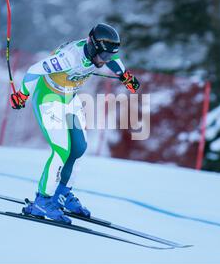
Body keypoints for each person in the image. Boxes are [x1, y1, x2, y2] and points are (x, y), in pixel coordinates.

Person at [10, 23, 140, 224]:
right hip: (49, 98)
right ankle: (41, 200)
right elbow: (35, 69)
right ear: (94, 47)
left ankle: (61, 195)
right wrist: (22, 95)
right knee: (61, 150)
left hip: (70, 98)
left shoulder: (99, 53)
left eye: (108, 57)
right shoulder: (69, 57)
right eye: (103, 56)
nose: (105, 61)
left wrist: (125, 77)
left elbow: (114, 58)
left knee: (79, 147)